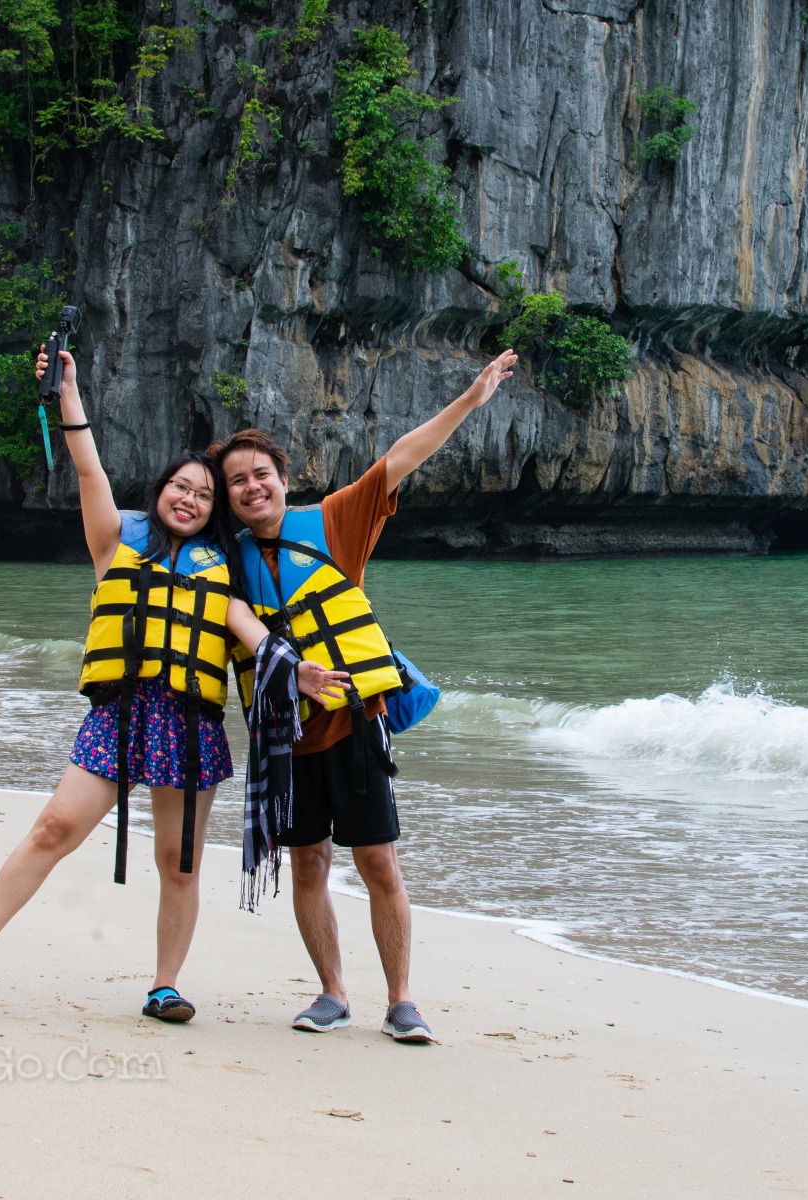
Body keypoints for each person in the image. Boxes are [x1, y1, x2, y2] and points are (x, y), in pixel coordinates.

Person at [0, 345, 345, 1023]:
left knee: (178, 863)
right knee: (54, 827)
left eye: (207, 496)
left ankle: (165, 986)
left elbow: (252, 631)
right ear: (161, 492)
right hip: (118, 716)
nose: (192, 498)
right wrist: (68, 391)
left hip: (189, 726)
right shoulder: (115, 540)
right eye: (183, 487)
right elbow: (87, 463)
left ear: (215, 514)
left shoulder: (221, 570)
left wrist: (298, 671)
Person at [213, 347, 519, 1043]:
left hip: (354, 721)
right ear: (227, 496)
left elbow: (402, 457)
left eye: (261, 474)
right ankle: (331, 993)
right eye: (237, 482)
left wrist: (471, 401)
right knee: (308, 860)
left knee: (377, 859)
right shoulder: (222, 558)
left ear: (283, 478)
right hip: (285, 734)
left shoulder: (333, 521)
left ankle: (402, 1000)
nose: (251, 488)